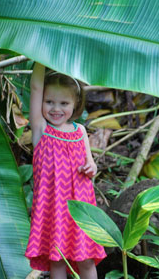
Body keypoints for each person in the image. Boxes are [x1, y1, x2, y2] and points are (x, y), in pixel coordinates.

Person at [25, 63, 106, 279]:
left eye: (64, 103)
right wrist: (41, 58)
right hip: (54, 210)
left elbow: (91, 167)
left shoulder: (80, 131)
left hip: (80, 208)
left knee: (86, 259)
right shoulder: (41, 130)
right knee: (57, 261)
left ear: (76, 103)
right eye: (49, 102)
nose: (56, 108)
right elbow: (35, 87)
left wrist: (91, 167)